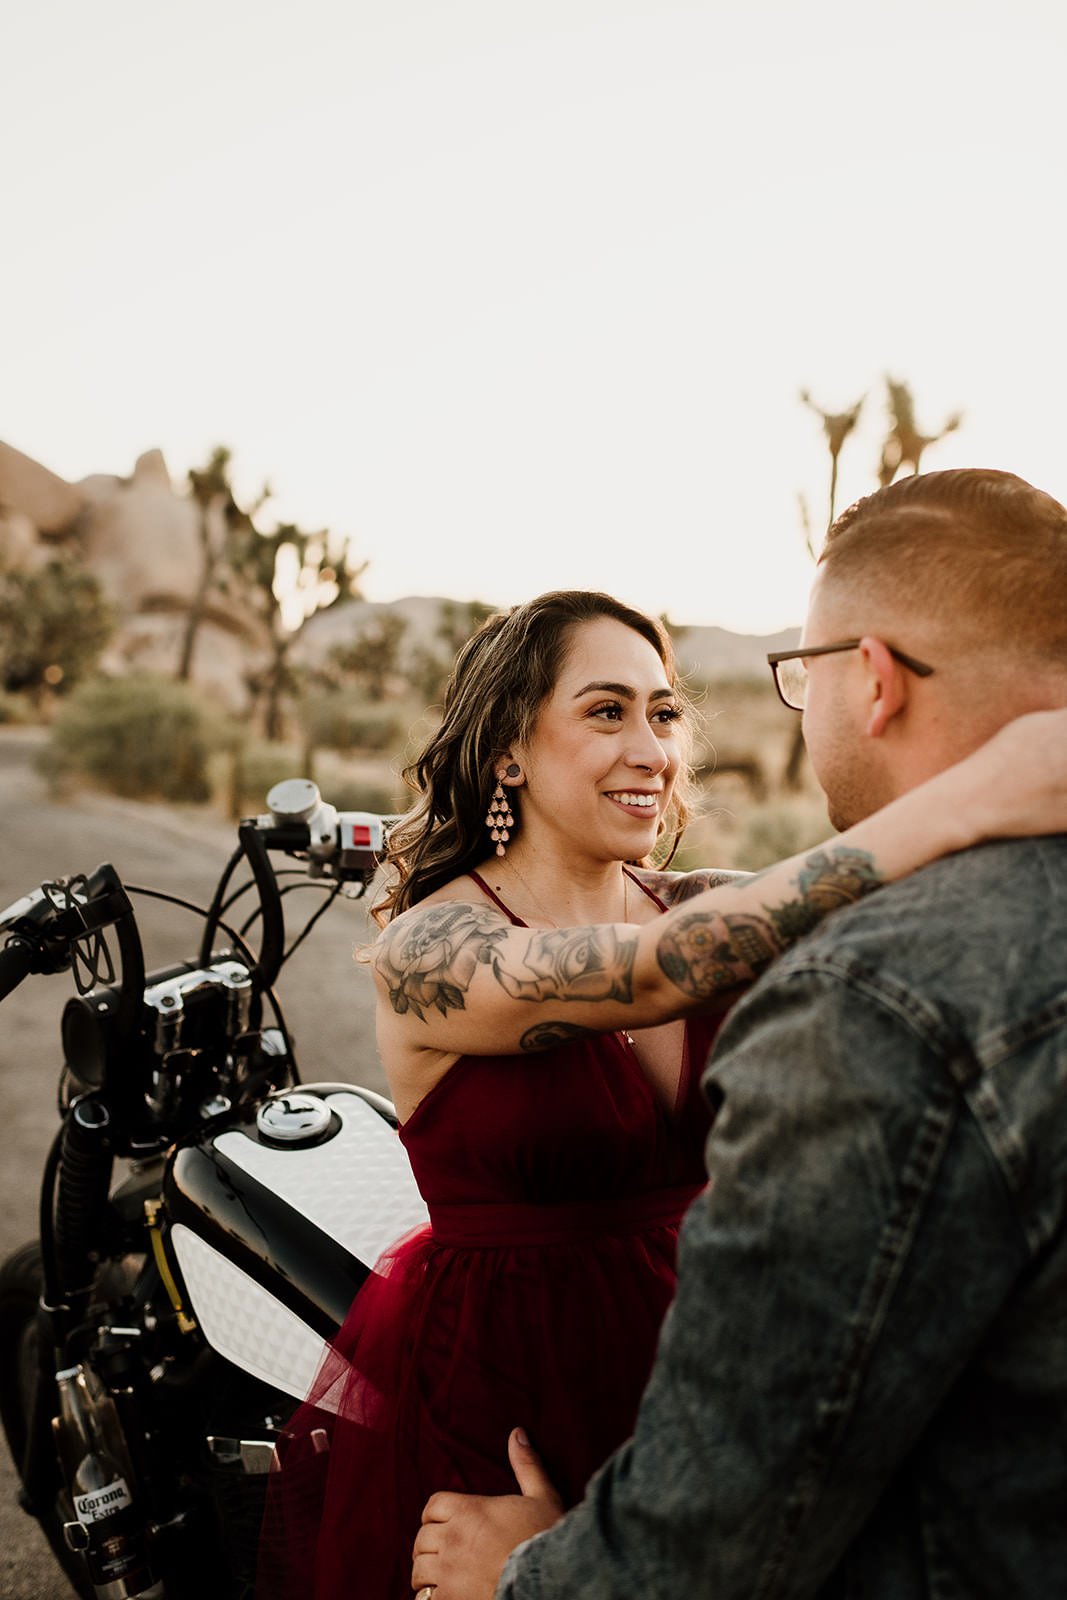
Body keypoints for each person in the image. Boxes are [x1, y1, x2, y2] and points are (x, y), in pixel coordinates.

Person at [261, 581, 1066, 1600]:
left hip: (703, 1352)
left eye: (662, 711)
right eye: (605, 711)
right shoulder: (433, 943)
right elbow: (649, 970)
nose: (651, 747)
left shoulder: (706, 902)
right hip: (512, 1387)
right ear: (508, 747)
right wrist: (974, 793)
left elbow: (894, 926)